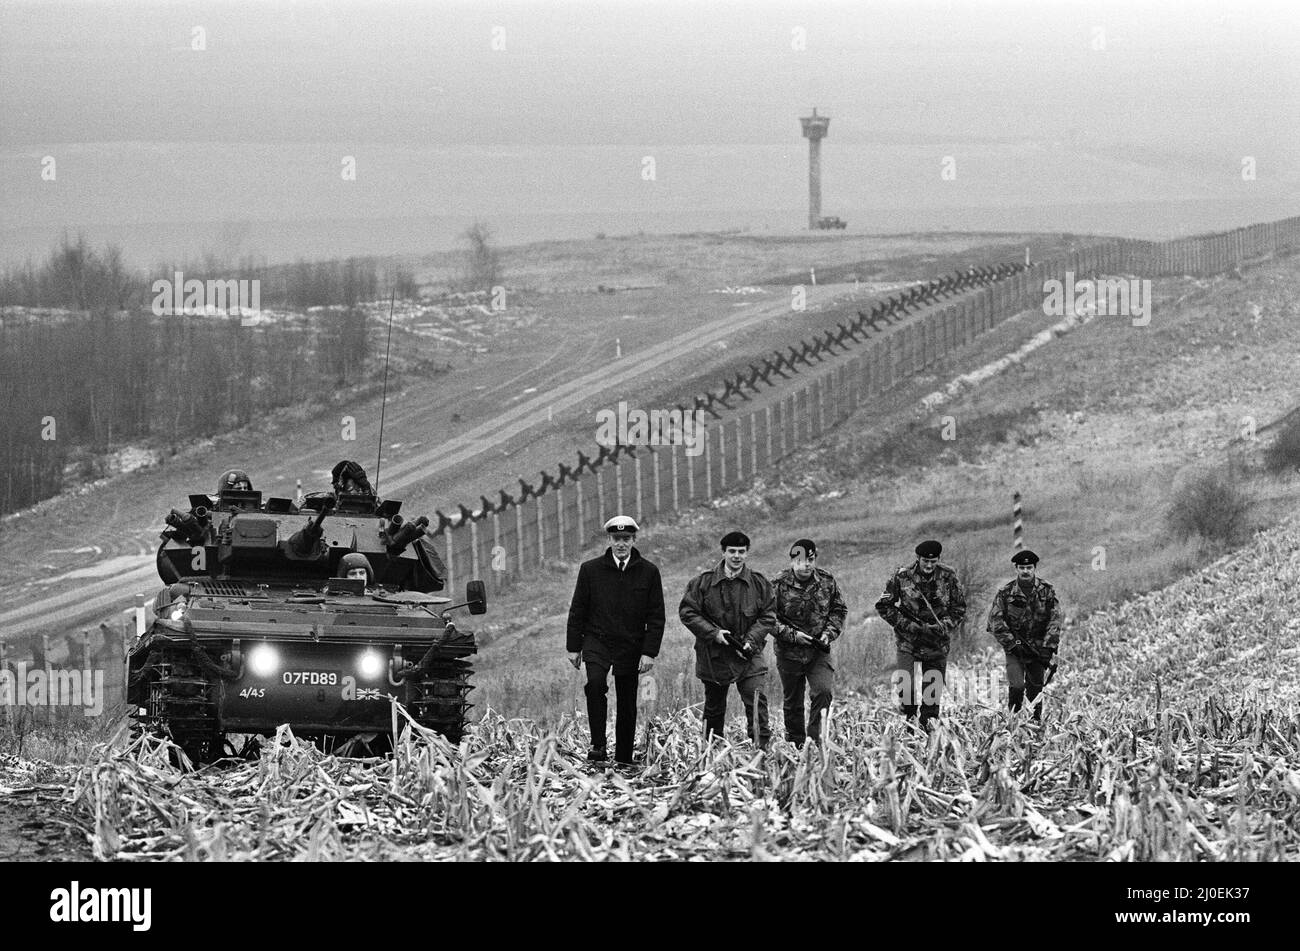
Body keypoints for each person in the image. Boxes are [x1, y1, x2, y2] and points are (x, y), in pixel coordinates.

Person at [565, 516, 665, 766]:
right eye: (616, 539)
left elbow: (656, 616)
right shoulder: (591, 570)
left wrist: (649, 652)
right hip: (597, 641)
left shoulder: (649, 572)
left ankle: (623, 756)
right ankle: (598, 746)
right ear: (609, 540)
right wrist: (574, 647)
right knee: (595, 685)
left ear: (634, 540)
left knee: (628, 698)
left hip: (630, 644)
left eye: (626, 539)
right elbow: (578, 609)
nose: (621, 544)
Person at [679, 530, 777, 748]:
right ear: (723, 552)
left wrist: (751, 640)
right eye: (732, 551)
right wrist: (713, 634)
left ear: (747, 554)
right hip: (715, 656)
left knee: (756, 701)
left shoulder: (759, 584)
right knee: (714, 709)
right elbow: (688, 612)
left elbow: (768, 615)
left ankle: (761, 751)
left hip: (749, 655)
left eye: (741, 552)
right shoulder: (702, 583)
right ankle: (711, 753)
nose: (736, 556)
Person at [874, 539, 966, 727]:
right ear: (918, 558)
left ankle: (928, 736)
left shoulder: (948, 576)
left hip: (936, 642)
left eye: (933, 561)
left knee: (931, 697)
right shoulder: (902, 577)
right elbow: (884, 607)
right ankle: (909, 719)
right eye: (925, 561)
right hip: (909, 641)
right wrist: (908, 625)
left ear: (938, 559)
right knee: (905, 688)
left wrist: (943, 626)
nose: (929, 565)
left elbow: (959, 608)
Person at [772, 538, 847, 745]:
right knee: (793, 702)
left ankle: (815, 741)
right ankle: (795, 743)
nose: (806, 565)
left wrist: (828, 634)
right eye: (801, 560)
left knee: (823, 692)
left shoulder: (827, 581)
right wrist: (792, 635)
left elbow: (839, 610)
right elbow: (768, 619)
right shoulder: (778, 584)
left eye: (810, 560)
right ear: (792, 561)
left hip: (818, 652)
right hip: (789, 653)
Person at [987, 549, 1063, 721]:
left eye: (1029, 567)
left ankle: (1034, 724)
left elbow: (1055, 620)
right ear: (1016, 569)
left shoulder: (1047, 590)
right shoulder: (1005, 592)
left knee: (1035, 691)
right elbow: (995, 622)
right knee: (1017, 687)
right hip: (1015, 649)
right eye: (1022, 567)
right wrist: (1012, 644)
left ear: (1034, 568)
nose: (1025, 571)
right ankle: (1013, 722)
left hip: (1038, 650)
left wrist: (1048, 647)